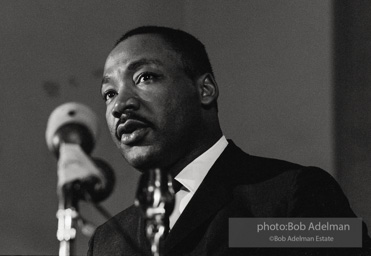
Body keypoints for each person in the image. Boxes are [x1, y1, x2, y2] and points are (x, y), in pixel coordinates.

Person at [88, 26, 371, 256]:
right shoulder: (107, 241)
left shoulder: (289, 195)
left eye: (145, 77)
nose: (120, 104)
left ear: (205, 90)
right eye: (109, 94)